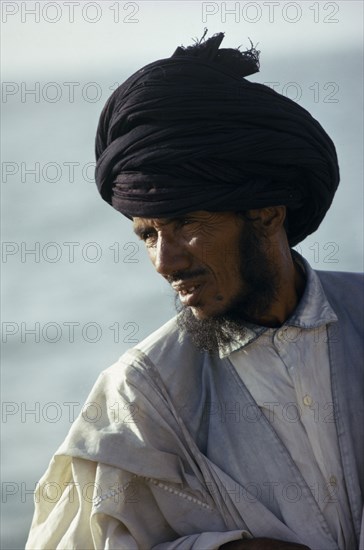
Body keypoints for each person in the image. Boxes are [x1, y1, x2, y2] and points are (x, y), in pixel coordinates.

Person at [26, 32, 363, 550]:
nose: (165, 261)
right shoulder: (139, 397)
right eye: (147, 235)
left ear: (268, 211)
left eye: (185, 222)